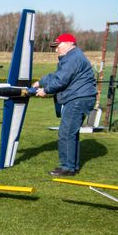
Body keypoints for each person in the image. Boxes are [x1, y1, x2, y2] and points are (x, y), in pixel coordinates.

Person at [33, 33, 97, 176]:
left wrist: (45, 90)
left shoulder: (72, 58)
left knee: (66, 132)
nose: (56, 50)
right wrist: (40, 82)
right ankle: (72, 166)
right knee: (71, 132)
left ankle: (67, 168)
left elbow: (61, 81)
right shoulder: (72, 57)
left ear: (69, 43)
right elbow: (57, 75)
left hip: (78, 98)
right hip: (81, 97)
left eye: (58, 46)